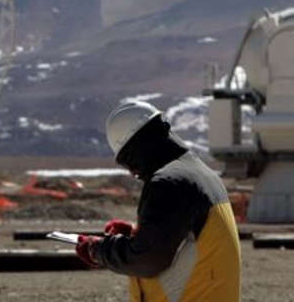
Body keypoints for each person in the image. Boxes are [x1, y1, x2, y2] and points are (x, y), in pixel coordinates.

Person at [75, 101, 241, 302]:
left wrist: (98, 250)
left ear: (138, 148)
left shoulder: (169, 182)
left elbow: (147, 259)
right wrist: (135, 232)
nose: (132, 172)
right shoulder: (200, 174)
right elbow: (185, 239)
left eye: (129, 161)